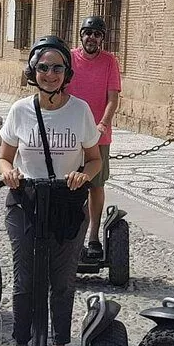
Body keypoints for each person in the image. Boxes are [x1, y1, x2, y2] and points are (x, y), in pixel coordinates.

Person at [0, 35, 102, 346]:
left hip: (66, 204)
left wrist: (82, 176)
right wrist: (9, 172)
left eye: (57, 67)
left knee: (62, 280)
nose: (50, 74)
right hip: (25, 202)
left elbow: (94, 160)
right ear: (33, 71)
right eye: (43, 67)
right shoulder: (20, 110)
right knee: (25, 279)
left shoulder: (81, 110)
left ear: (66, 73)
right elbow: (3, 157)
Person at [65, 16, 121, 259]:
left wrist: (103, 124)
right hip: (70, 134)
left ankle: (94, 236)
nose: (91, 38)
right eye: (87, 32)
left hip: (98, 136)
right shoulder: (68, 58)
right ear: (81, 35)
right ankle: (68, 236)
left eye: (97, 34)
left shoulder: (109, 61)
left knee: (96, 186)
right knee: (67, 186)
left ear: (102, 38)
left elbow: (113, 98)